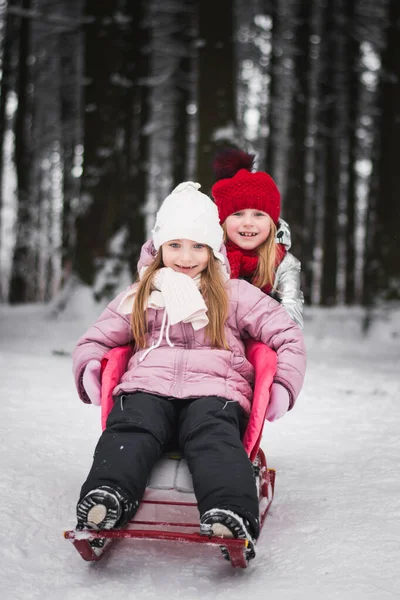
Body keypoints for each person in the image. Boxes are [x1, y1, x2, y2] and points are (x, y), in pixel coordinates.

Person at [72, 182, 306, 561]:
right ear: (159, 247)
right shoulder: (141, 295)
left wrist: (283, 384)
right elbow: (95, 339)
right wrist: (88, 368)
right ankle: (106, 499)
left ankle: (231, 512)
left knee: (214, 439)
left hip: (216, 392)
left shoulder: (233, 294)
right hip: (147, 387)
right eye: (176, 244)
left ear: (214, 250)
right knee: (130, 431)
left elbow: (288, 336)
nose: (186, 256)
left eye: (198, 246)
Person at [211, 147, 304, 329]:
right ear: (222, 222)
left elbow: (291, 322)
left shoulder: (283, 263)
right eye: (237, 214)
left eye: (258, 215)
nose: (248, 223)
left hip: (263, 340)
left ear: (272, 222)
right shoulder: (211, 256)